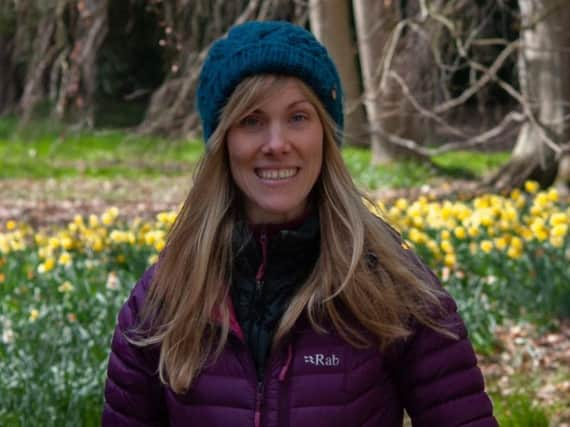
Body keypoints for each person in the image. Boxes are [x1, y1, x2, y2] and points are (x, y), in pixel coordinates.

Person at [103, 20, 498, 426]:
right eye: (251, 120)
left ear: (326, 134)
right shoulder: (164, 299)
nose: (276, 144)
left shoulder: (392, 287)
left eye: (297, 117)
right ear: (222, 140)